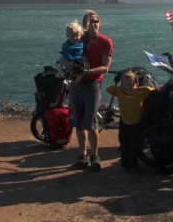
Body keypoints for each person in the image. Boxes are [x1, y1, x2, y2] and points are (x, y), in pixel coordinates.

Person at [61, 10, 113, 172]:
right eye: (90, 22)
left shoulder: (106, 42)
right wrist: (70, 65)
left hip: (93, 85)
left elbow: (105, 67)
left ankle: (95, 156)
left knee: (91, 123)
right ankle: (82, 156)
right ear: (85, 25)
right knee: (78, 122)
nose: (93, 24)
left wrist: (87, 72)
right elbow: (64, 58)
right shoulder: (78, 38)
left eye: (96, 21)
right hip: (76, 84)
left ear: (100, 23)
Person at [106, 70, 154, 174]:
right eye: (125, 84)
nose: (128, 86)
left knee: (134, 146)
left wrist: (138, 89)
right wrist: (120, 88)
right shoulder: (119, 93)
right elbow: (108, 89)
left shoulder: (140, 94)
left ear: (136, 83)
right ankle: (125, 164)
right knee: (124, 145)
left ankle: (133, 165)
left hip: (136, 125)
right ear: (122, 84)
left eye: (131, 83)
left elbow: (152, 90)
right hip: (124, 124)